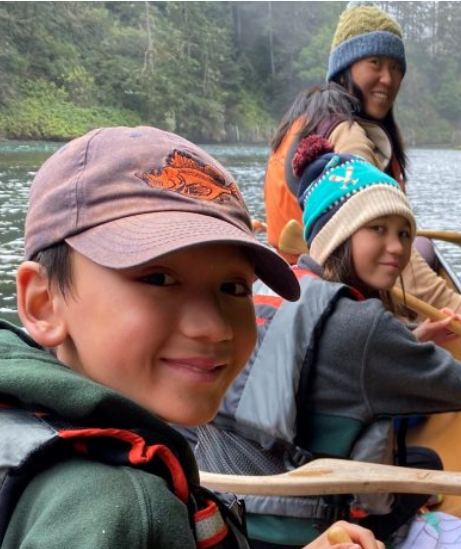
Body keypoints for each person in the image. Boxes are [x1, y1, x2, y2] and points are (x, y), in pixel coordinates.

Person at [1, 126, 384, 549]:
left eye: (234, 288)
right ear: (43, 304)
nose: (214, 328)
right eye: (159, 278)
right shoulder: (120, 510)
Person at [196, 137, 461, 547]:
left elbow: (316, 365)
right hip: (301, 527)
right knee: (424, 470)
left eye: (403, 233)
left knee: (421, 462)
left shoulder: (273, 289)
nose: (396, 248)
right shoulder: (363, 325)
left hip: (228, 508)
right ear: (340, 236)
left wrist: (414, 338)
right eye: (378, 229)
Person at [262, 3, 461, 325]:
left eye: (396, 68)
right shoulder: (345, 133)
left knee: (422, 244)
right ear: (345, 68)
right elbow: (373, 223)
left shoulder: (311, 117)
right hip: (327, 292)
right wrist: (451, 301)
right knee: (420, 249)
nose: (388, 79)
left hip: (296, 274)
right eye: (375, 63)